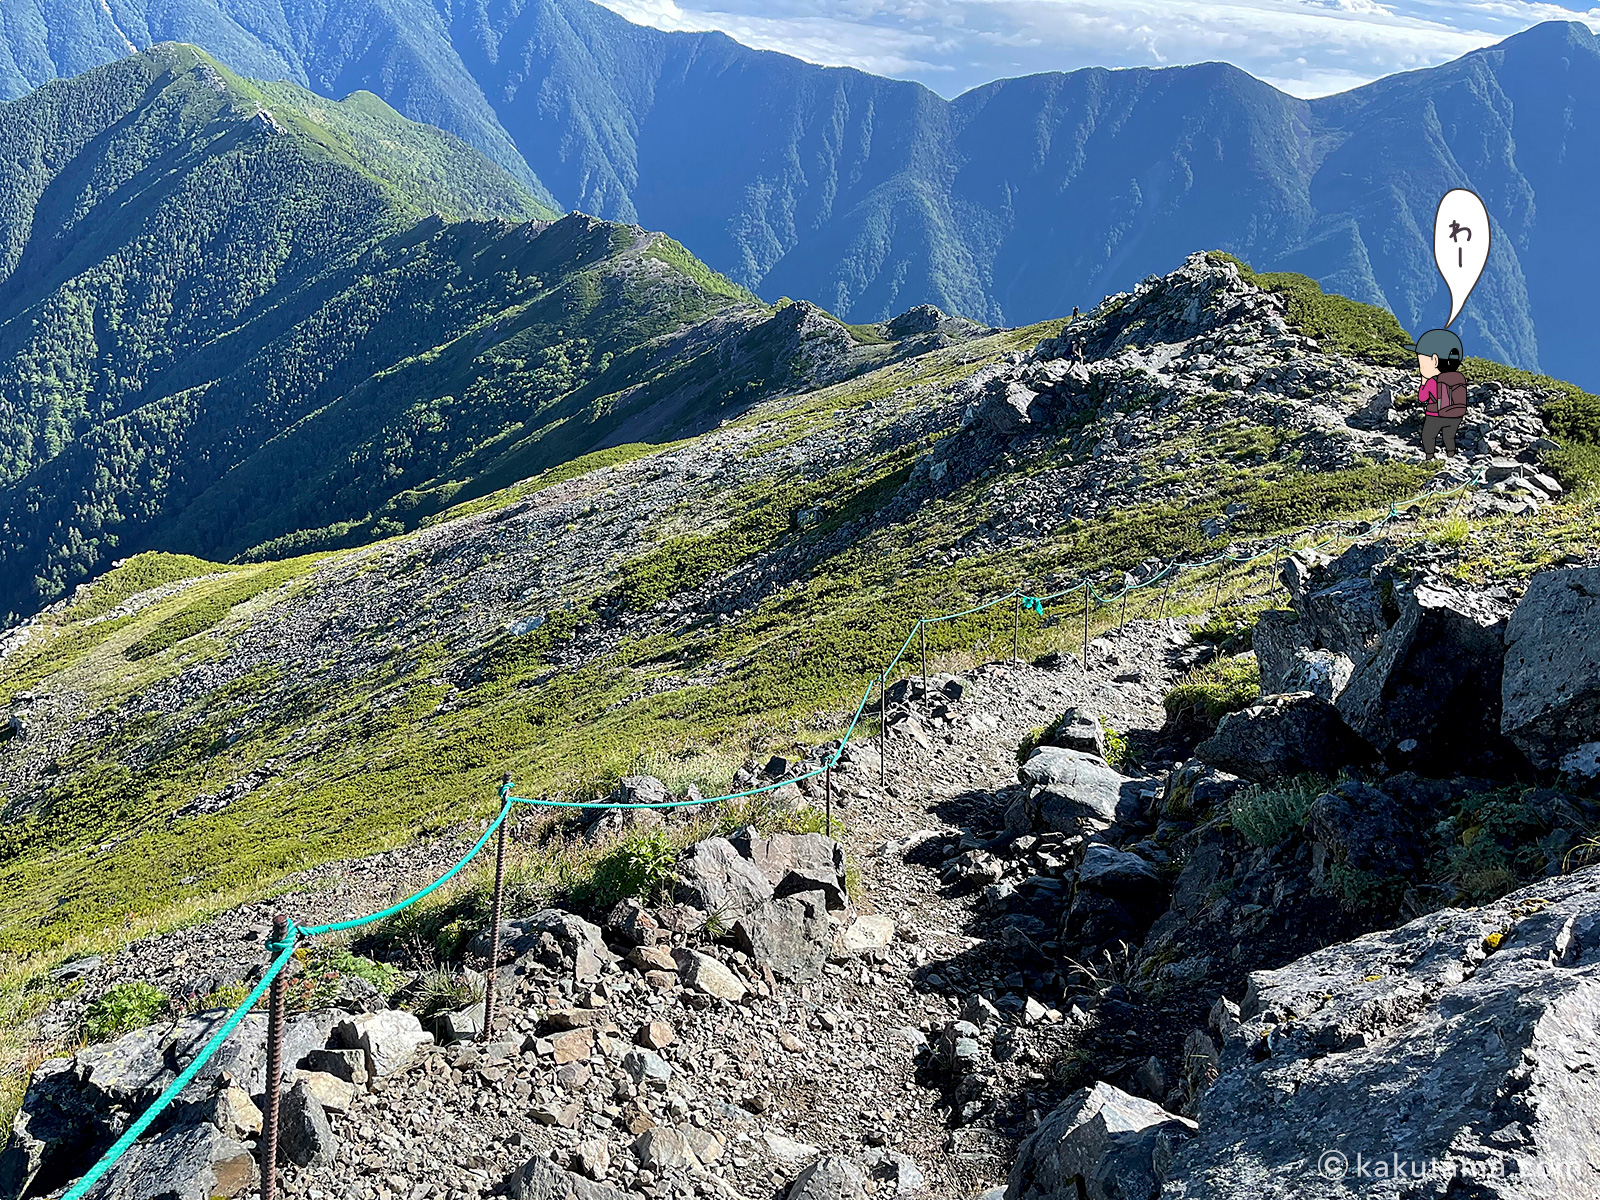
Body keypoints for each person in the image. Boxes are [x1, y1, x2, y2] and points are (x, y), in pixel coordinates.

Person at [1409, 327, 1468, 461]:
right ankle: (1451, 455)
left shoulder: (1432, 381)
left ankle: (1429, 457)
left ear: (1435, 360)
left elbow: (1422, 398)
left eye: (1422, 361)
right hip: (1456, 414)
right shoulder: (1459, 377)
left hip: (1435, 414)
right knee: (1449, 436)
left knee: (1428, 435)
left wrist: (1423, 383)